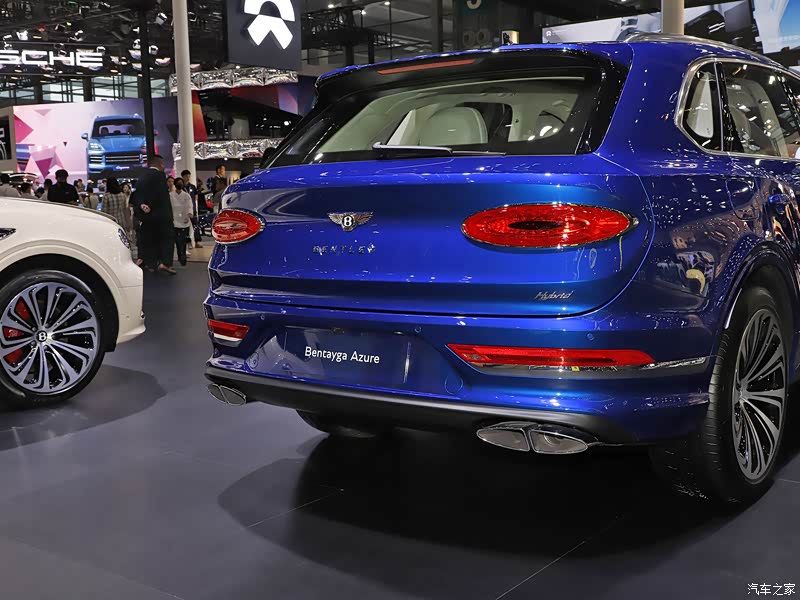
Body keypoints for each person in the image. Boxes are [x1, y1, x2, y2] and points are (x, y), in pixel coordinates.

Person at [133, 155, 175, 275]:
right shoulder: (160, 176)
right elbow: (159, 194)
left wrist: (142, 205)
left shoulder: (142, 177)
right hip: (162, 215)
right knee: (167, 238)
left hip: (147, 217)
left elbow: (137, 195)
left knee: (150, 240)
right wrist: (150, 205)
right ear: (160, 164)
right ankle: (165, 263)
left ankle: (151, 263)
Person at [170, 177, 193, 267]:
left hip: (184, 220)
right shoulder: (170, 195)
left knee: (182, 241)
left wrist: (189, 215)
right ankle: (178, 256)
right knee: (176, 240)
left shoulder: (186, 195)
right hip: (174, 220)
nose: (180, 184)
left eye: (181, 183)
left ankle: (182, 257)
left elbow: (190, 206)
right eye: (178, 183)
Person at [181, 169, 202, 248]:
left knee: (195, 225)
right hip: (183, 210)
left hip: (192, 209)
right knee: (185, 226)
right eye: (186, 176)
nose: (188, 177)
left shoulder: (192, 187)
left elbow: (196, 196)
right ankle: (188, 242)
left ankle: (197, 241)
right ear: (183, 177)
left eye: (189, 176)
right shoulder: (181, 187)